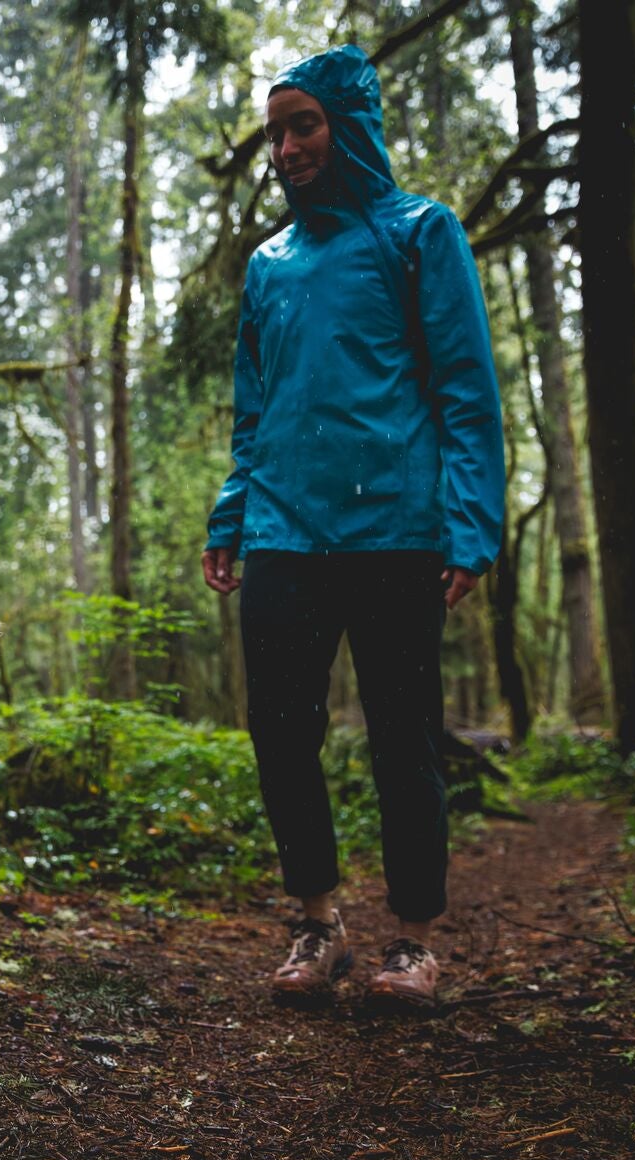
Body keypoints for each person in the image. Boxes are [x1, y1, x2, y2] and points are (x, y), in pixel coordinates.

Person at [200, 45, 503, 1009]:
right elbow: (257, 408)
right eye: (276, 132)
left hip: (398, 533)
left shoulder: (421, 232)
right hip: (285, 529)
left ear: (349, 127)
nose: (286, 148)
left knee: (402, 737)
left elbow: (465, 389)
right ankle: (318, 920)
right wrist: (234, 509)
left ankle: (413, 940)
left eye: (305, 125)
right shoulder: (269, 265)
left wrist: (469, 522)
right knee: (281, 731)